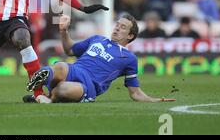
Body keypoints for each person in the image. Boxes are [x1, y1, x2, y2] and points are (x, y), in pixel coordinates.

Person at [25, 14, 176, 103]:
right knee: (59, 66)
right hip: (74, 69)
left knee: (63, 89)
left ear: (130, 36)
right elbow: (69, 49)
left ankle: (47, 97)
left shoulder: (129, 58)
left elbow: (134, 92)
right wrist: (63, 31)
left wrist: (153, 99)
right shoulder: (97, 39)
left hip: (89, 85)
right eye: (117, 24)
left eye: (123, 27)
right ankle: (41, 89)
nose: (117, 28)